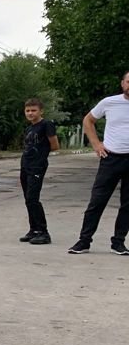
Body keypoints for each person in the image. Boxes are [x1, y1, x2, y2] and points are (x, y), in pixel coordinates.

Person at [68, 70, 129, 255]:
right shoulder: (109, 102)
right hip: (110, 158)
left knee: (128, 204)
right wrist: (96, 144)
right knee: (97, 201)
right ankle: (84, 241)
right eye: (128, 81)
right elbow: (88, 120)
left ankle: (118, 242)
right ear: (122, 83)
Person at [19, 98, 59, 244]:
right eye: (28, 110)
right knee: (28, 199)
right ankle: (33, 229)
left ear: (41, 111)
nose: (30, 113)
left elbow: (54, 145)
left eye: (33, 110)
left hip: (37, 166)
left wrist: (41, 154)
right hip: (25, 166)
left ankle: (43, 232)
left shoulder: (46, 125)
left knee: (32, 198)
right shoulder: (29, 128)